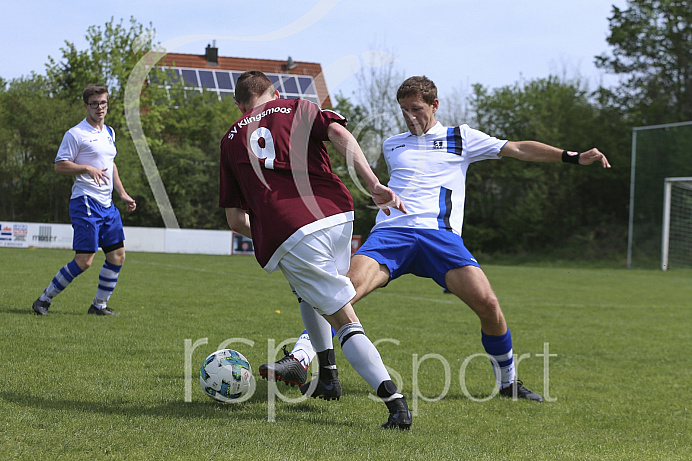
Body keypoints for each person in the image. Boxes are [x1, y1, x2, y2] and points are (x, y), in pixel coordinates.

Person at [260, 75, 612, 402]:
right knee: (342, 292)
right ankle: (301, 358)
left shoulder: (462, 137)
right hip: (392, 233)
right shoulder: (391, 144)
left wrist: (573, 157)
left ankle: (508, 383)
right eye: (404, 110)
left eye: (417, 109)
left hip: (439, 238)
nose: (410, 116)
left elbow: (518, 148)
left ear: (435, 105)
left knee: (488, 305)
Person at [219, 70, 411, 429]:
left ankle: (395, 404)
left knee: (342, 317)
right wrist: (373, 183)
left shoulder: (230, 139)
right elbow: (339, 132)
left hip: (291, 227)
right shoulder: (296, 107)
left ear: (239, 104)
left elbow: (235, 219)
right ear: (273, 92)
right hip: (337, 212)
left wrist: (266, 231)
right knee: (308, 293)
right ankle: (328, 376)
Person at [32, 84, 136, 316]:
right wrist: (86, 168)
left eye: (103, 103)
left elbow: (111, 165)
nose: (100, 108)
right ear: (86, 106)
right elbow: (60, 165)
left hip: (108, 204)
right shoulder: (75, 134)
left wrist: (122, 193)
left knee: (117, 255)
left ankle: (99, 306)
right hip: (86, 201)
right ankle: (43, 299)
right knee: (84, 260)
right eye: (94, 103)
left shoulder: (109, 132)